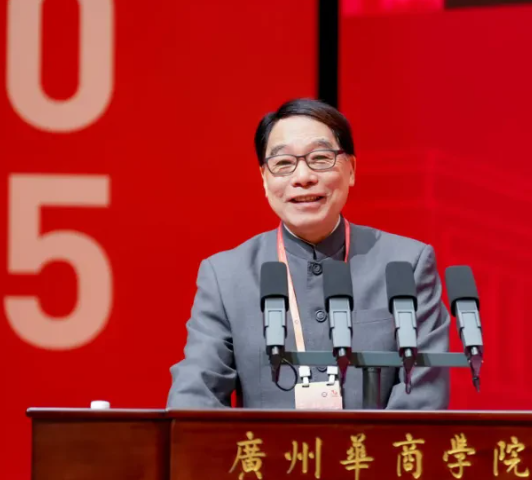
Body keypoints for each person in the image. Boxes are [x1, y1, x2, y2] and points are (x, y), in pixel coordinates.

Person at [167, 99, 450, 409]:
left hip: (371, 444)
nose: (303, 177)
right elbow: (196, 395)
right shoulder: (226, 276)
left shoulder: (406, 265)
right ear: (264, 178)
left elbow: (422, 397)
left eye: (320, 158)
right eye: (283, 163)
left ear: (351, 170)